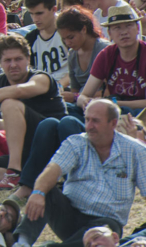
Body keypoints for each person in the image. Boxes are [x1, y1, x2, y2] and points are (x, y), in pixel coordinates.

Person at [14, 100, 146, 247]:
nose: (89, 126)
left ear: (113, 123)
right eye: (87, 119)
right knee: (45, 190)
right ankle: (22, 243)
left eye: (95, 121)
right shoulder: (76, 143)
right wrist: (38, 192)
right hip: (70, 215)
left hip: (106, 222)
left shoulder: (136, 150)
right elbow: (53, 168)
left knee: (107, 229)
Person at [0, 33, 67, 190]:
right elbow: (19, 123)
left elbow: (18, 92)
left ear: (28, 59)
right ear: (0, 63)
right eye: (8, 60)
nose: (13, 65)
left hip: (51, 143)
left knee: (9, 103)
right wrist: (0, 124)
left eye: (18, 59)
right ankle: (35, 176)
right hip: (26, 153)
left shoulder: (41, 78)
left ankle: (14, 173)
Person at [76, 5, 146, 114]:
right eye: (117, 27)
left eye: (128, 26)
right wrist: (85, 101)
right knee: (67, 117)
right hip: (113, 113)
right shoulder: (106, 55)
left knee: (125, 111)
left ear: (137, 28)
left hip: (140, 116)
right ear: (109, 33)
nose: (124, 32)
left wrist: (113, 103)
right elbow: (84, 95)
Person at [55, 6, 110, 108]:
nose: (67, 43)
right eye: (64, 39)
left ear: (84, 29)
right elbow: (74, 90)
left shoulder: (105, 50)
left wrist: (76, 97)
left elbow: (109, 91)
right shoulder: (72, 55)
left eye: (71, 37)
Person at [24, 0, 69, 82]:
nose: (35, 19)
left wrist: (57, 87)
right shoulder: (30, 39)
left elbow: (79, 69)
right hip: (40, 88)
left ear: (54, 9)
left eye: (39, 13)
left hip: (66, 88)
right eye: (31, 14)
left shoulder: (69, 32)